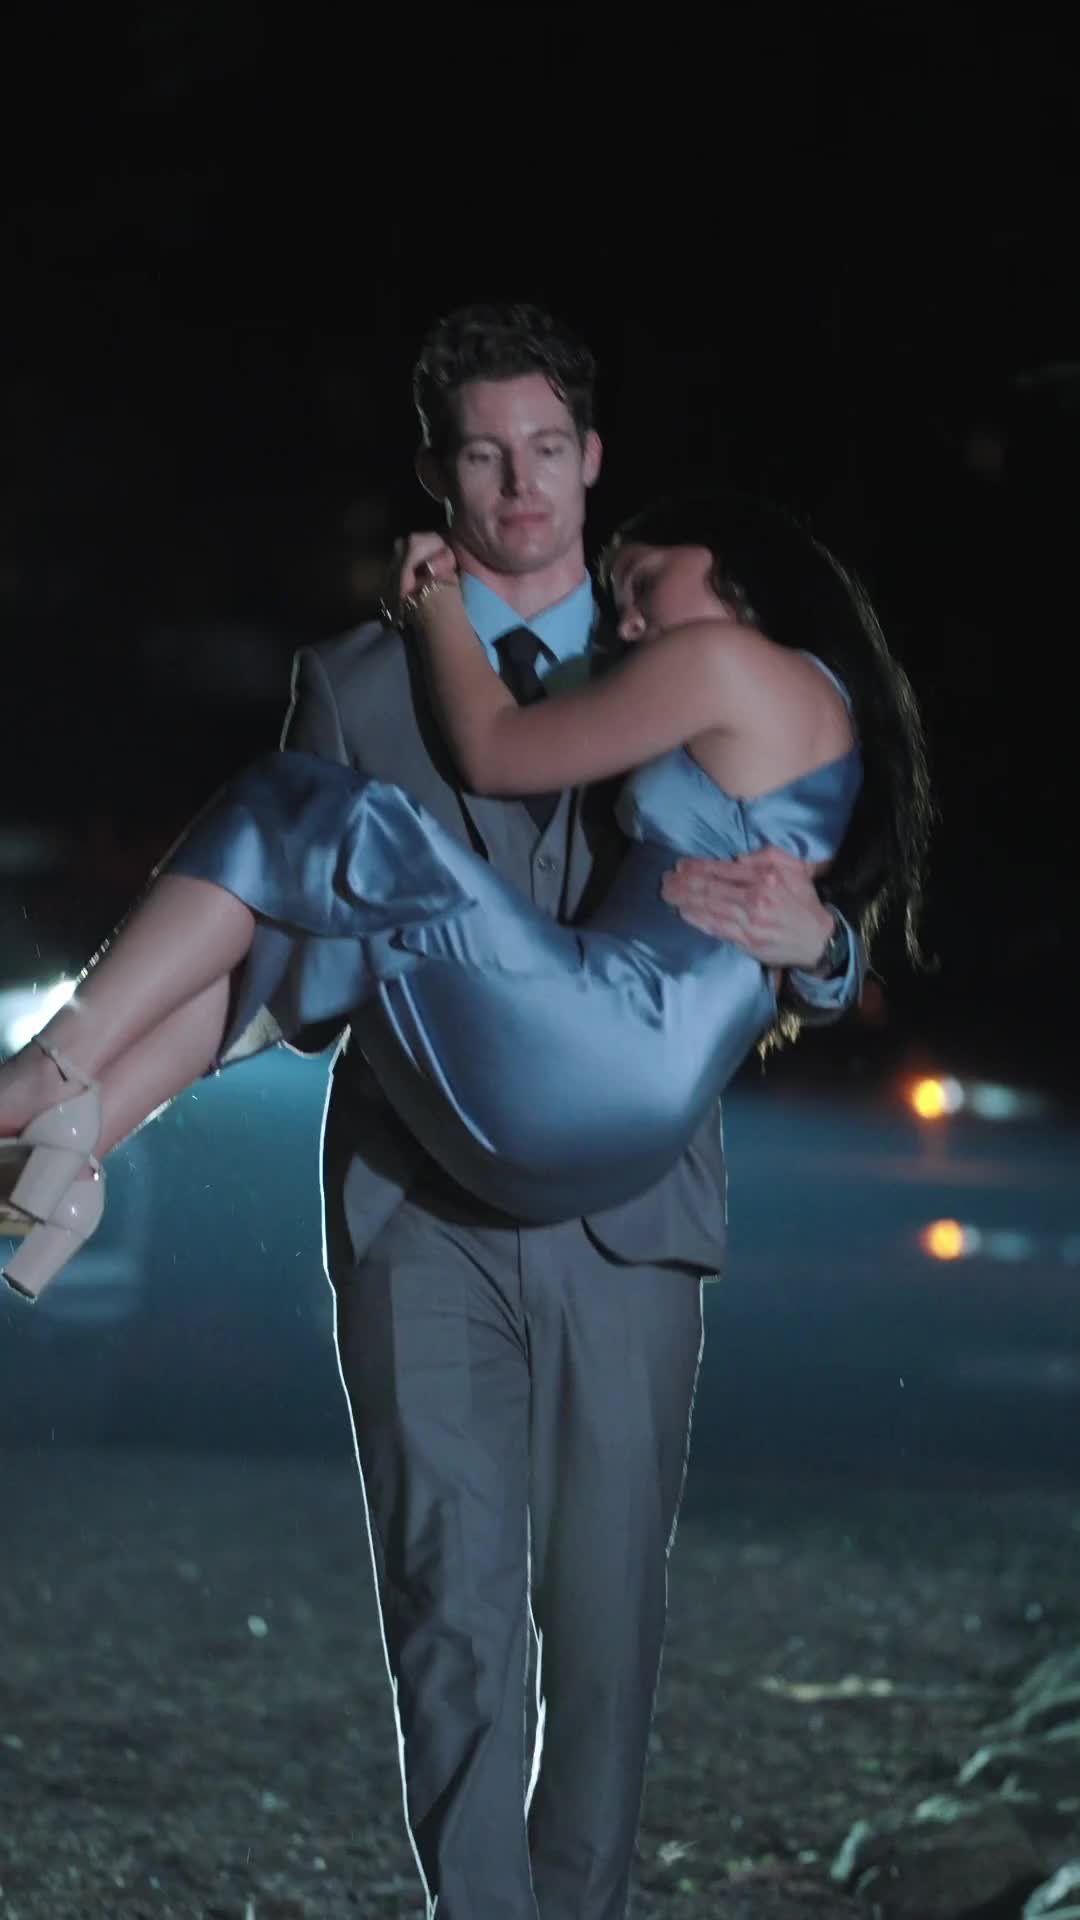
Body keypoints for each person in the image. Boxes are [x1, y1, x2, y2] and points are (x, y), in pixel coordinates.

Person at [0, 307, 904, 1920]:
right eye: (483, 457)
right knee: (450, 1616)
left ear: (594, 462)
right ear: (438, 472)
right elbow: (280, 953)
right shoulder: (351, 683)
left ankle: (57, 1107)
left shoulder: (679, 656)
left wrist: (823, 950)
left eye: (547, 450)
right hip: (418, 1203)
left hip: (628, 1216)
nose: (520, 487)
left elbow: (799, 910)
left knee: (607, 1632)